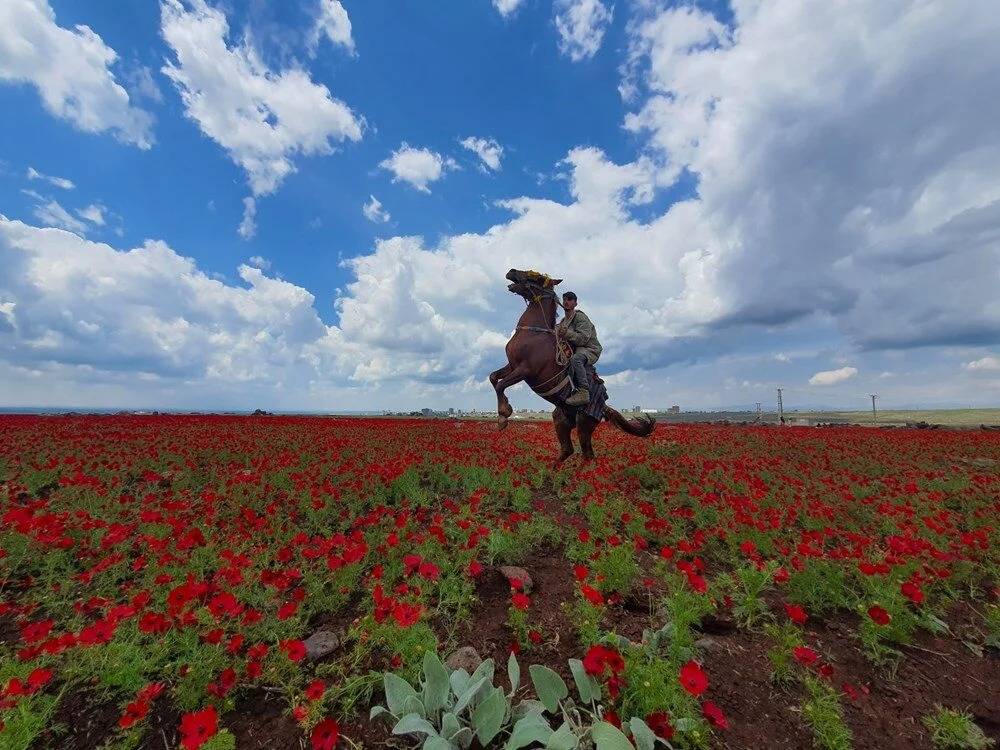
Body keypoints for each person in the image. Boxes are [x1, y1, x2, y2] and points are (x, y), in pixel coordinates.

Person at [557, 291, 602, 406]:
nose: (566, 301)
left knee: (576, 359)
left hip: (589, 349)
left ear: (575, 303)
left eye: (570, 299)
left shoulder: (580, 317)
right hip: (573, 349)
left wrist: (566, 333)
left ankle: (583, 391)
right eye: (565, 299)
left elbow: (583, 339)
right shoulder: (563, 321)